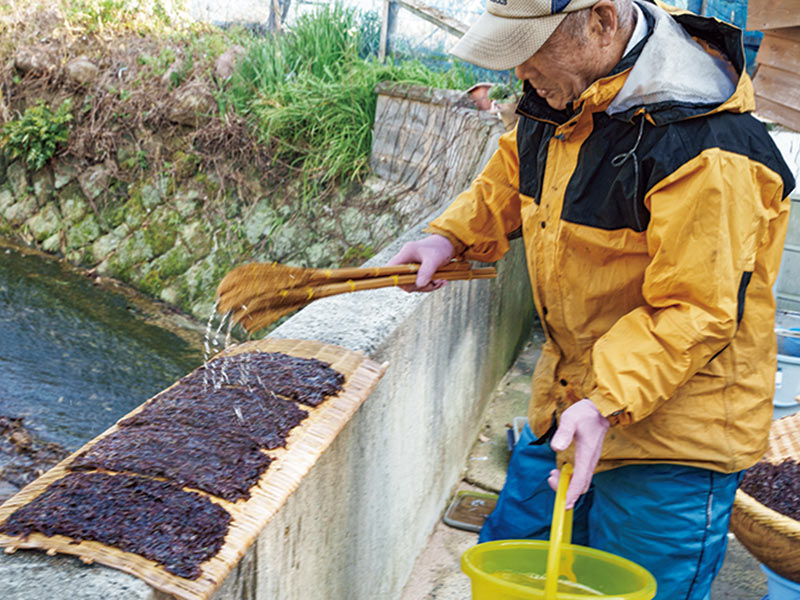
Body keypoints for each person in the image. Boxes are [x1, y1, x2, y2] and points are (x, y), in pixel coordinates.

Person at [385, 0, 796, 598]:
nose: (518, 72)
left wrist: (605, 403)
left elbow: (696, 309)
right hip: (573, 404)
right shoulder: (564, 96)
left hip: (672, 439)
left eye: (528, 49)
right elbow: (513, 171)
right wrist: (449, 238)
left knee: (634, 588)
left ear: (602, 22)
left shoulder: (710, 146)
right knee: (511, 563)